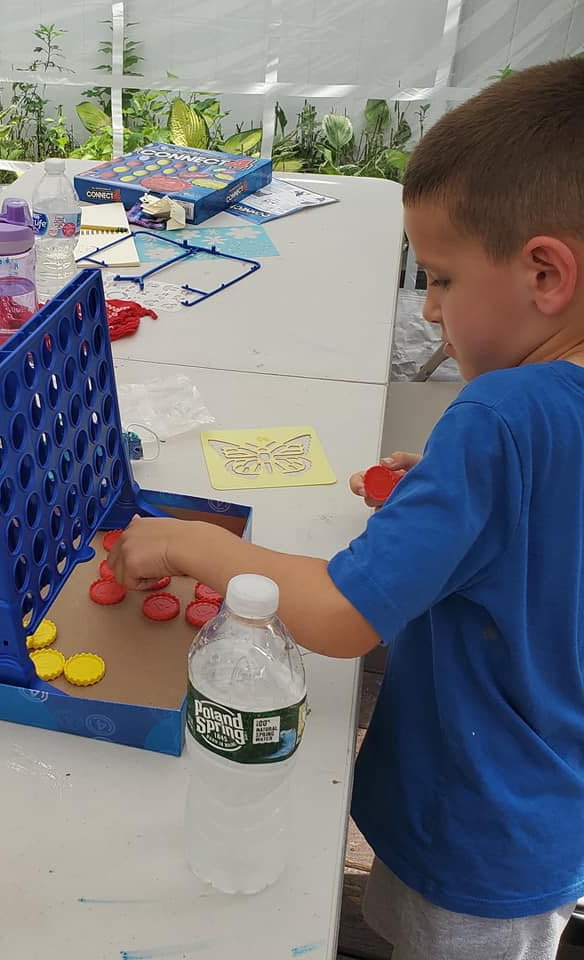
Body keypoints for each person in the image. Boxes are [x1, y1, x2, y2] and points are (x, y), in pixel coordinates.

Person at [107, 56, 584, 959]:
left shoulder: (500, 415)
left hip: (469, 827)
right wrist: (453, 508)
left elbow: (336, 617)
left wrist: (187, 545)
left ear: (544, 275)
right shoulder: (535, 419)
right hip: (549, 815)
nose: (433, 312)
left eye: (440, 279)